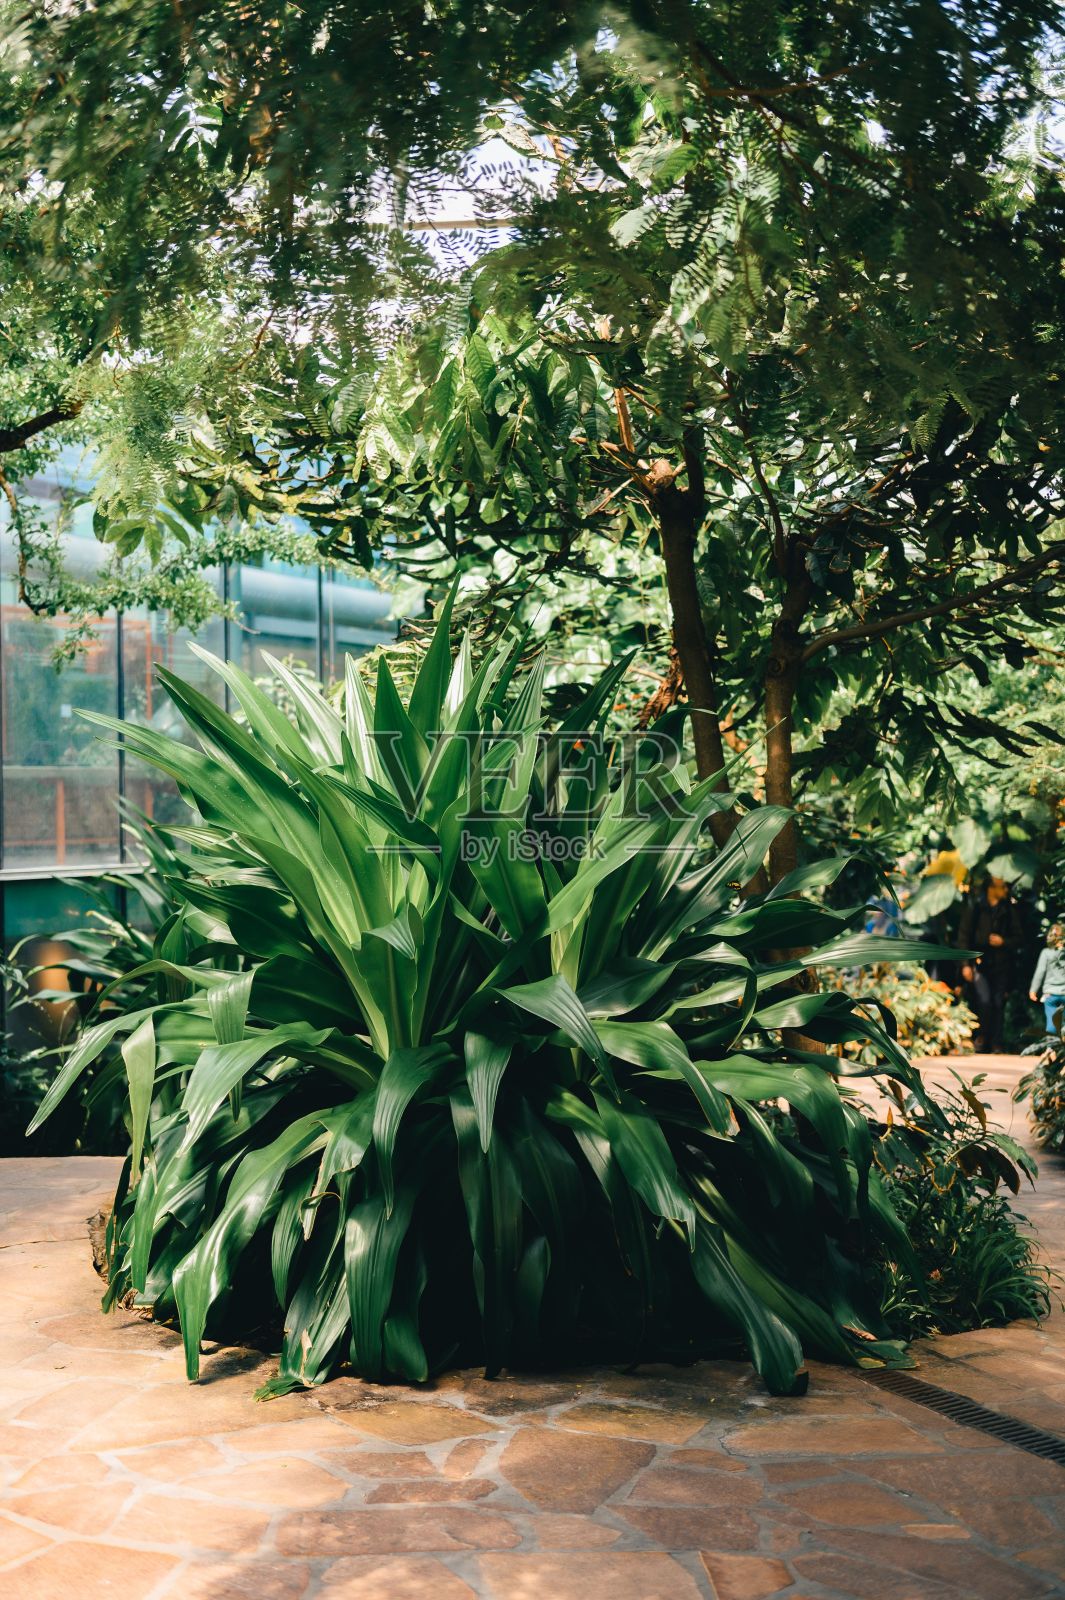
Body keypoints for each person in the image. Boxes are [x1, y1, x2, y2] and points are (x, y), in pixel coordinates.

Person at [956, 875, 1023, 1053]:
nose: (1006, 890)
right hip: (980, 962)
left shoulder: (1008, 909)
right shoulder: (976, 907)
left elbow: (1019, 938)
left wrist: (1003, 941)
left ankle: (996, 1043)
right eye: (1002, 887)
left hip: (1002, 964)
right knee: (984, 1000)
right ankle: (982, 1037)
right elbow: (964, 937)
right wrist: (965, 964)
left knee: (998, 1002)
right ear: (991, 888)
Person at [1030, 923, 1065, 1039]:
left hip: (1050, 994)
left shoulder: (1046, 952)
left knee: (1051, 1022)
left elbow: (1040, 972)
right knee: (1063, 1024)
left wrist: (1033, 990)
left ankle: (1050, 1048)